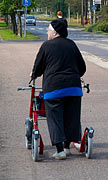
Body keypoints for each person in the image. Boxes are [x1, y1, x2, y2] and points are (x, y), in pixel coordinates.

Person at [30, 19, 86, 160]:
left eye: (48, 30)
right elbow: (82, 68)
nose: (47, 32)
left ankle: (60, 150)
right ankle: (67, 147)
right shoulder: (72, 45)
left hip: (54, 88)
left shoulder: (47, 46)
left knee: (55, 118)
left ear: (55, 32)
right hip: (74, 88)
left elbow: (38, 67)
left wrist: (33, 74)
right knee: (71, 117)